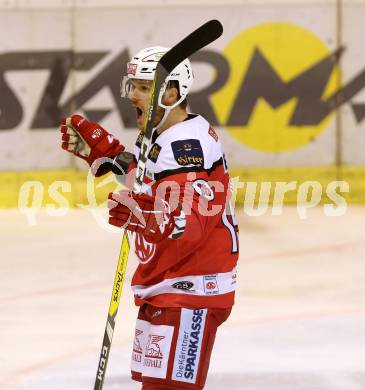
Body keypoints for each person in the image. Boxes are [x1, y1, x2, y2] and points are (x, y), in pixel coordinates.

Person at [60, 46, 239, 390]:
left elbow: (190, 226)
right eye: (133, 85)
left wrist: (142, 216)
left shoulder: (188, 145)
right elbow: (151, 183)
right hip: (169, 286)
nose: (133, 95)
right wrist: (110, 156)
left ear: (171, 93)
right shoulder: (164, 135)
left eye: (144, 87)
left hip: (190, 291)